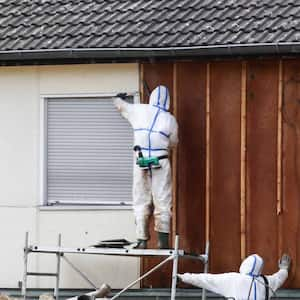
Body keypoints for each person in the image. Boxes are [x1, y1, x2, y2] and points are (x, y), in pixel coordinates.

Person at [114, 85, 178, 249]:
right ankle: (163, 242)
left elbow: (119, 105)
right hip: (161, 160)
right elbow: (174, 142)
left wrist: (119, 96)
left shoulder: (138, 110)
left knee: (140, 199)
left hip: (140, 160)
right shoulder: (170, 119)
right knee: (163, 201)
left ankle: (142, 240)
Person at [177, 253, 291, 300]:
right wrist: (284, 267)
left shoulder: (234, 279)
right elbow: (279, 278)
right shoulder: (266, 282)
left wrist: (183, 277)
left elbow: (206, 279)